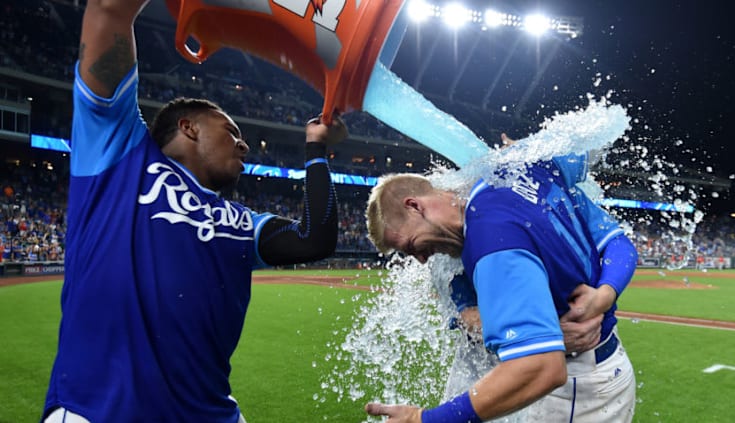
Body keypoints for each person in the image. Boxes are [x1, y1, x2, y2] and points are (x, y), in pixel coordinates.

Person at [41, 1, 348, 422]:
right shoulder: (120, 154)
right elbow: (108, 11)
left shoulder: (244, 224)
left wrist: (316, 151)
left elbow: (316, 238)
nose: (243, 144)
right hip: (100, 412)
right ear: (188, 127)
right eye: (231, 131)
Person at [364, 138, 637, 422]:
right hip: (602, 369)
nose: (421, 259)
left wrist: (425, 420)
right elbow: (614, 240)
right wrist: (564, 321)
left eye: (410, 245)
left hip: (572, 391)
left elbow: (541, 367)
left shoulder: (489, 242)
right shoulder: (519, 171)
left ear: (415, 206)